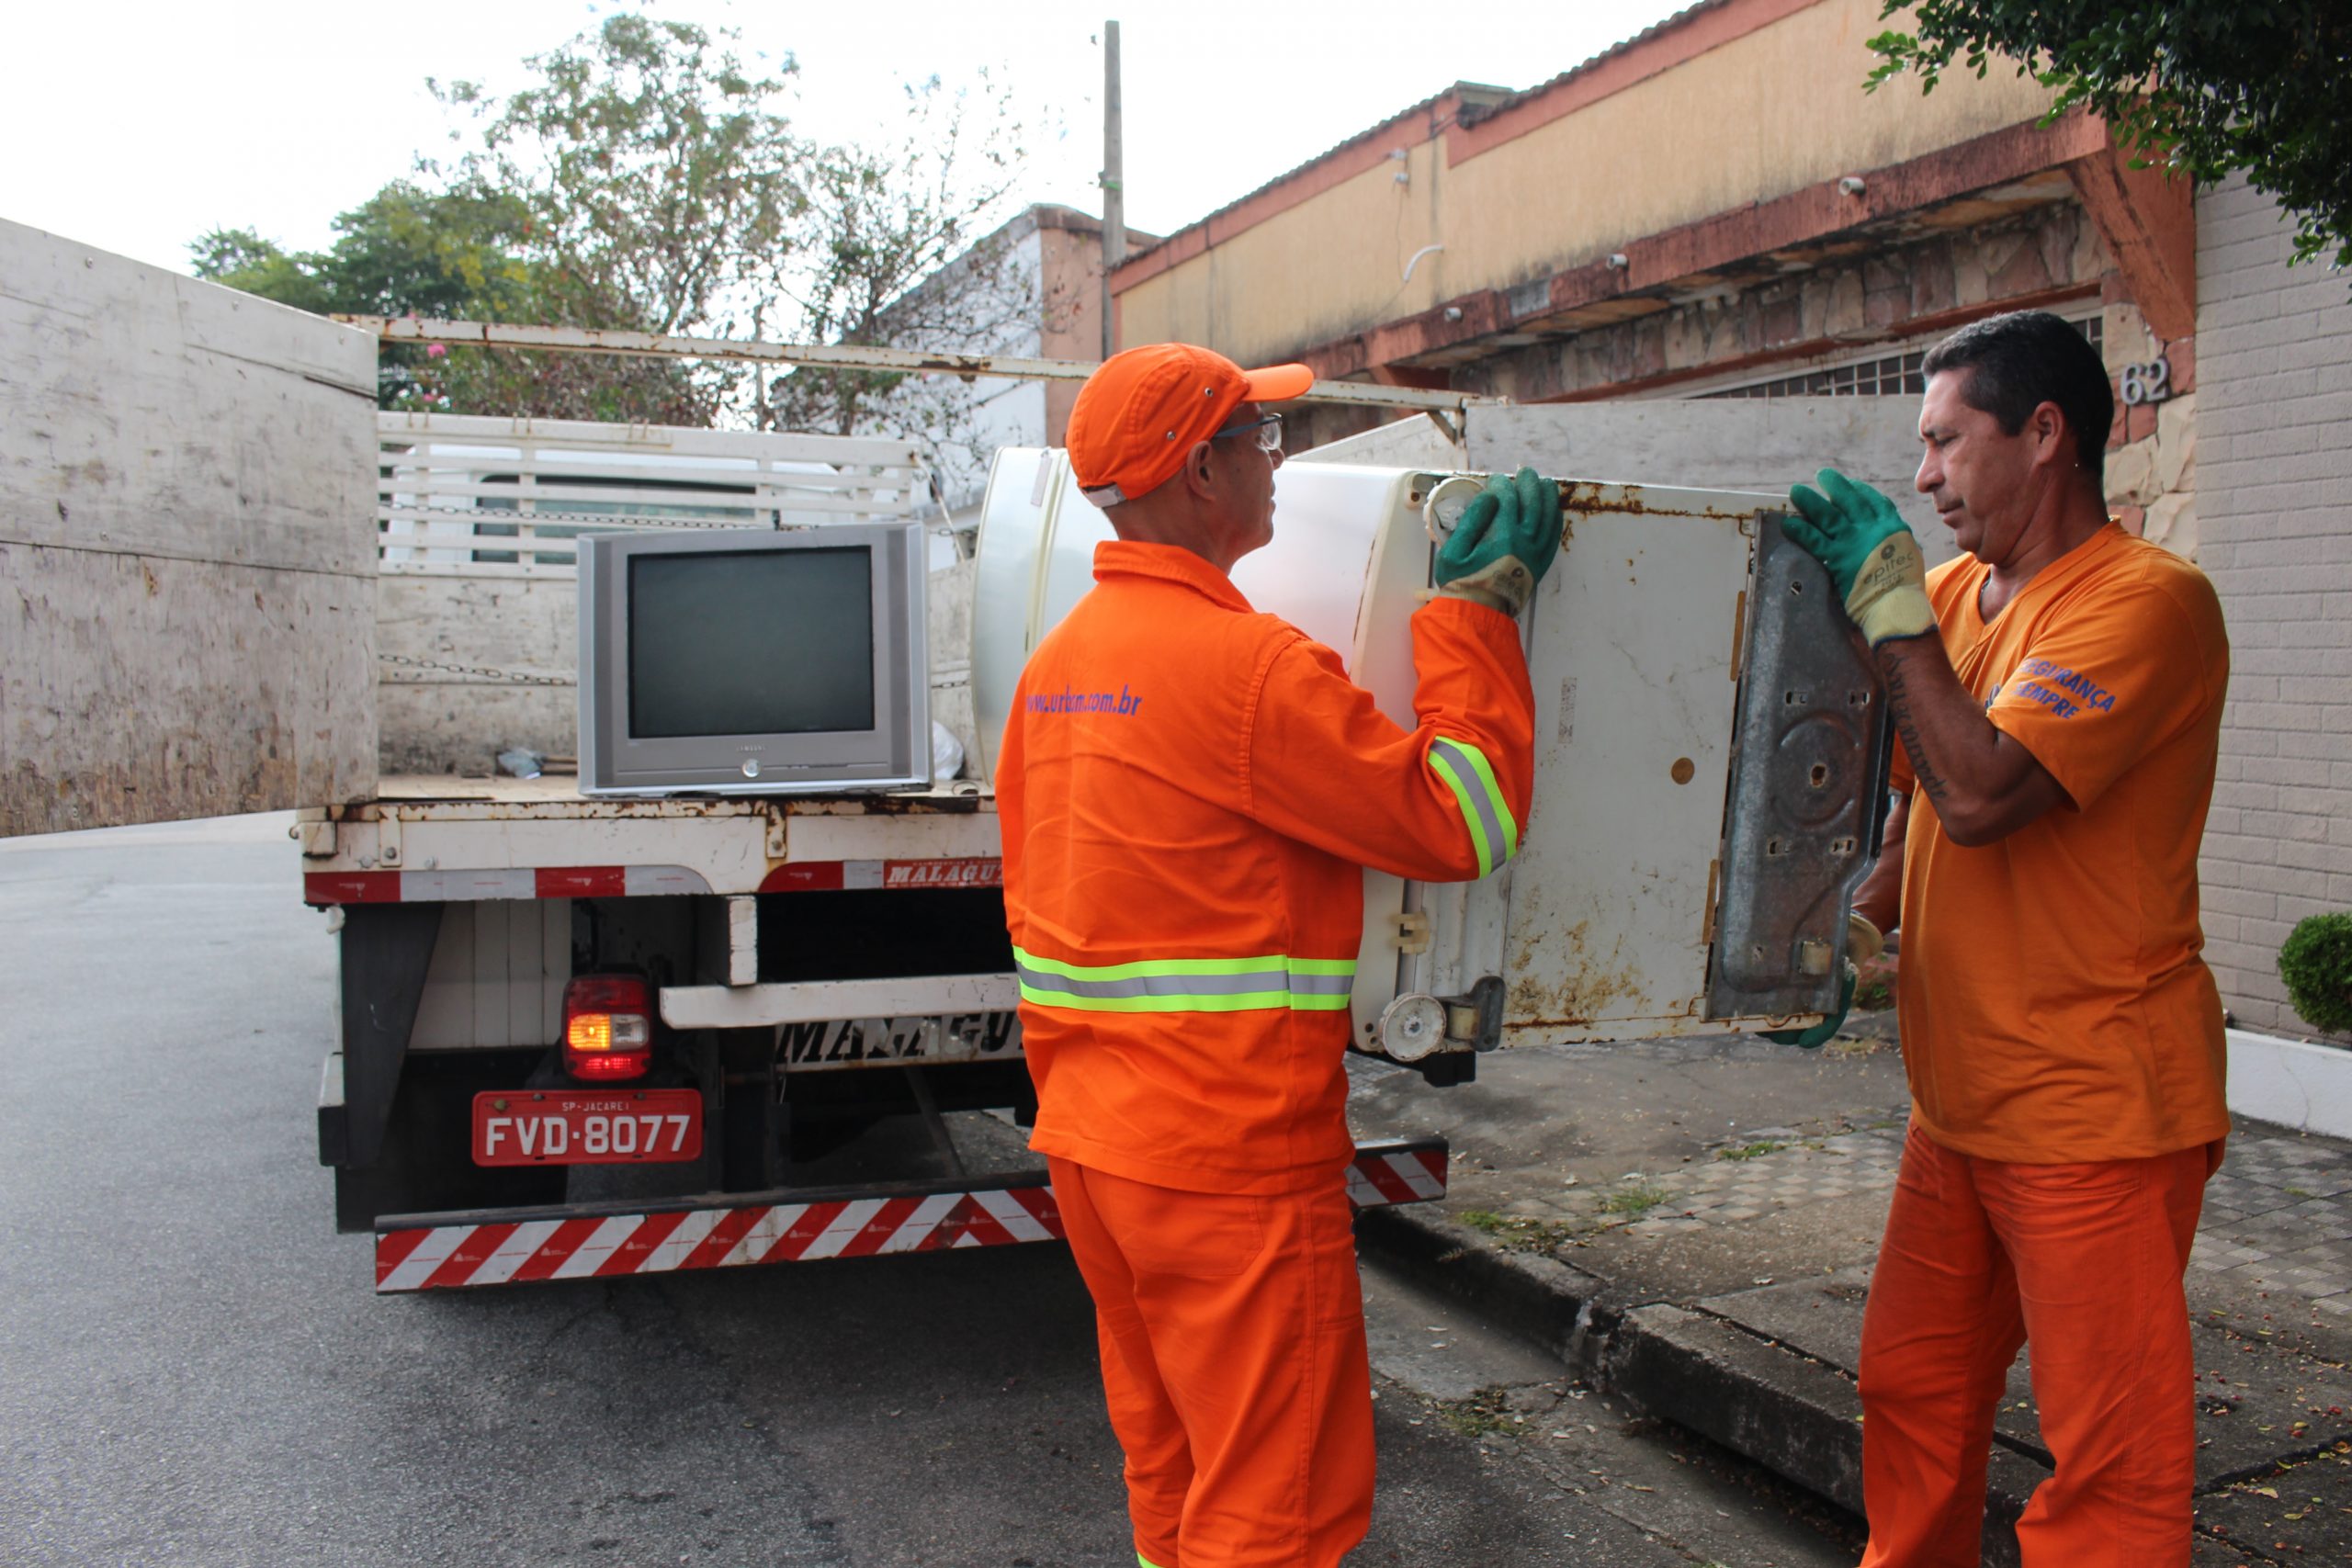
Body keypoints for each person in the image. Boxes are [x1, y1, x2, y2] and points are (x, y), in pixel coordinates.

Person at [995, 341, 1559, 1568]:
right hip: (1230, 1168)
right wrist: (1474, 616)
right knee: (1275, 1513)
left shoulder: (1058, 673)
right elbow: (1463, 816)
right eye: (1259, 437)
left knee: (1178, 1473)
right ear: (1202, 471)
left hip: (1097, 1152)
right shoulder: (1246, 671)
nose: (1279, 458)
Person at [1781, 309, 2231, 1568]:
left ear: (2046, 437)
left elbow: (1980, 796)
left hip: (2097, 1111)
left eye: (1944, 442)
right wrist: (1837, 935)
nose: (1922, 477)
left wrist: (1895, 626)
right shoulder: (1946, 601)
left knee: (2110, 1472)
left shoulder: (2147, 606)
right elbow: (1916, 818)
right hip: (1962, 1108)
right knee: (1910, 1390)